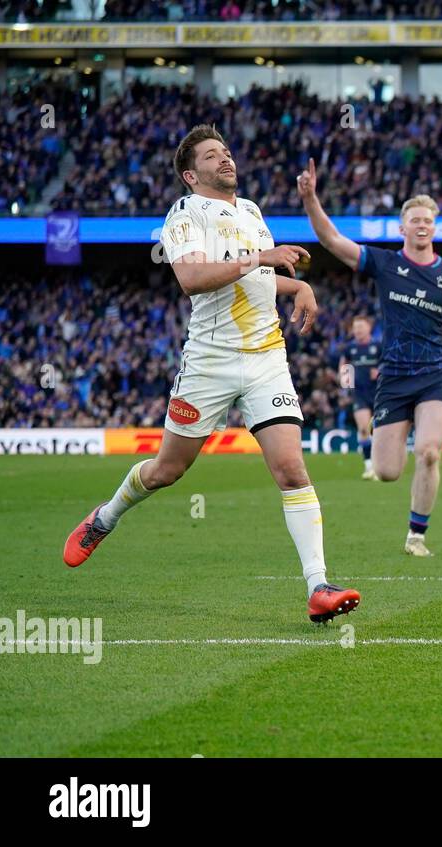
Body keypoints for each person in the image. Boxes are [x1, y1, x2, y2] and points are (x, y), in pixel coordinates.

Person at [62, 125, 360, 624]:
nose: (225, 159)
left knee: (291, 469)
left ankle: (318, 587)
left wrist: (295, 286)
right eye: (211, 155)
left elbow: (257, 279)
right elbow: (193, 279)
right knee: (167, 471)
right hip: (210, 361)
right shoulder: (185, 213)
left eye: (226, 151)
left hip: (267, 356)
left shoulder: (251, 212)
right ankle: (104, 518)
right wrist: (262, 257)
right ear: (189, 173)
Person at [297, 158, 442, 556]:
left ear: (434, 226)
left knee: (428, 453)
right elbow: (332, 241)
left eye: (428, 219)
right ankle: (390, 448)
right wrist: (310, 201)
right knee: (388, 471)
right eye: (415, 220)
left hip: (433, 375)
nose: (422, 225)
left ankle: (416, 536)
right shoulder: (385, 263)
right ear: (402, 227)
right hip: (392, 378)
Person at [339, 315, 380, 480]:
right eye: (355, 328)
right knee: (364, 429)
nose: (358, 330)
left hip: (378, 393)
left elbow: (389, 363)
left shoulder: (377, 346)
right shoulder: (350, 349)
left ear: (369, 328)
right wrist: (345, 386)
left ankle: (379, 465)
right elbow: (344, 365)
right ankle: (369, 467)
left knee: (377, 431)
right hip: (359, 394)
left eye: (361, 327)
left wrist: (379, 371)